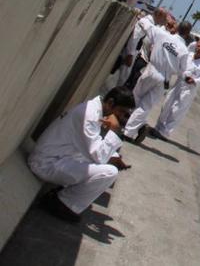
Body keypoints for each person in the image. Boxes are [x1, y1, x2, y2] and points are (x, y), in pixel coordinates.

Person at [28, 87, 135, 222]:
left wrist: (113, 156)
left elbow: (92, 144)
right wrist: (115, 131)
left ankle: (63, 195)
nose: (121, 117)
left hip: (59, 157)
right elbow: (99, 157)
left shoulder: (95, 110)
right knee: (109, 172)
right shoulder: (90, 115)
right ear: (110, 103)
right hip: (45, 164)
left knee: (105, 159)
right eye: (121, 111)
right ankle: (61, 203)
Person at [123, 18, 190, 143]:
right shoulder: (184, 51)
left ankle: (129, 124)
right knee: (146, 105)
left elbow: (144, 23)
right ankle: (130, 130)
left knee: (136, 98)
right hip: (164, 78)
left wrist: (141, 18)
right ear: (187, 34)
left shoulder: (162, 34)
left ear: (177, 28)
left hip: (150, 70)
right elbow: (182, 71)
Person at [153, 41, 200, 139]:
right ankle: (158, 127)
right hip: (178, 83)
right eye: (198, 46)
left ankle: (165, 132)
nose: (198, 49)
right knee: (166, 104)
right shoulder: (189, 55)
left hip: (188, 89)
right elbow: (179, 66)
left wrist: (195, 80)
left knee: (176, 110)